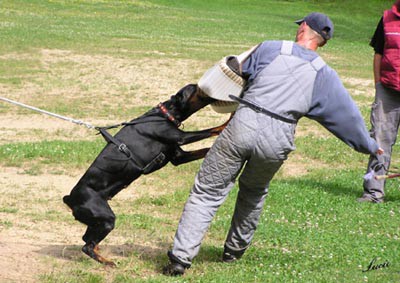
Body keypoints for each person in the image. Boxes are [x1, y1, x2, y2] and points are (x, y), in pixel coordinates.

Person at [163, 12, 384, 276]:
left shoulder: (270, 48)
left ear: (303, 28)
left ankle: (180, 258)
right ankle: (234, 252)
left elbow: (232, 74)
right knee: (254, 192)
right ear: (323, 41)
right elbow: (346, 117)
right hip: (278, 136)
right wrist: (369, 146)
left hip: (243, 124)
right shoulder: (324, 75)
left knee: (208, 191)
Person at [358, 0, 400, 203]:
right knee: (380, 140)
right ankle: (374, 192)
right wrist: (378, 85)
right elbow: (378, 54)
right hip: (388, 90)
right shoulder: (386, 18)